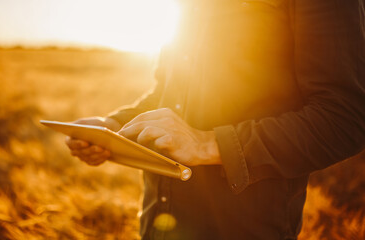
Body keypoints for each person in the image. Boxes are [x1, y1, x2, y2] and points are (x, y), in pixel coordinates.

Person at [66, 0, 365, 239]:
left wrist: (208, 143)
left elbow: (345, 117)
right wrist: (114, 126)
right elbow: (168, 93)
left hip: (245, 226)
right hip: (159, 220)